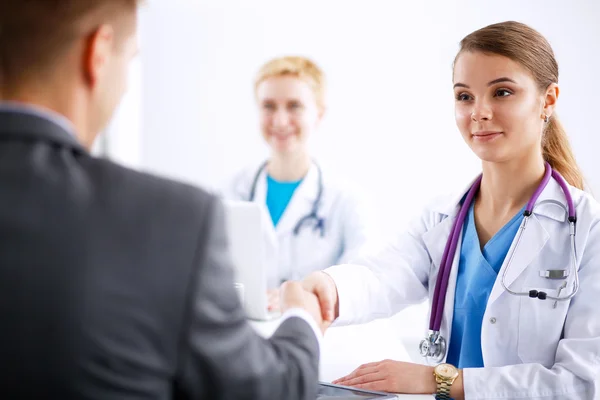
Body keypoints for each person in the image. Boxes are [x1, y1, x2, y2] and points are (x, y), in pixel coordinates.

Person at [0, 1, 328, 399]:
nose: (280, 120)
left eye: (294, 106)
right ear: (98, 53)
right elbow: (268, 390)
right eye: (131, 60)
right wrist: (302, 318)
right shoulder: (174, 219)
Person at [300, 21, 600, 399]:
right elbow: (381, 277)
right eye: (464, 96)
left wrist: (440, 380)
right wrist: (325, 288)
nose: (479, 112)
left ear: (548, 100)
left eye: (502, 92)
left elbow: (581, 384)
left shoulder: (587, 230)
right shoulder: (444, 218)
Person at [224, 56, 376, 309]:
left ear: (319, 113)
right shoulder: (230, 194)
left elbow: (362, 281)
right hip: (246, 335)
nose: (280, 121)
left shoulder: (346, 201)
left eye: (294, 106)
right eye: (269, 106)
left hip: (318, 338)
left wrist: (308, 297)